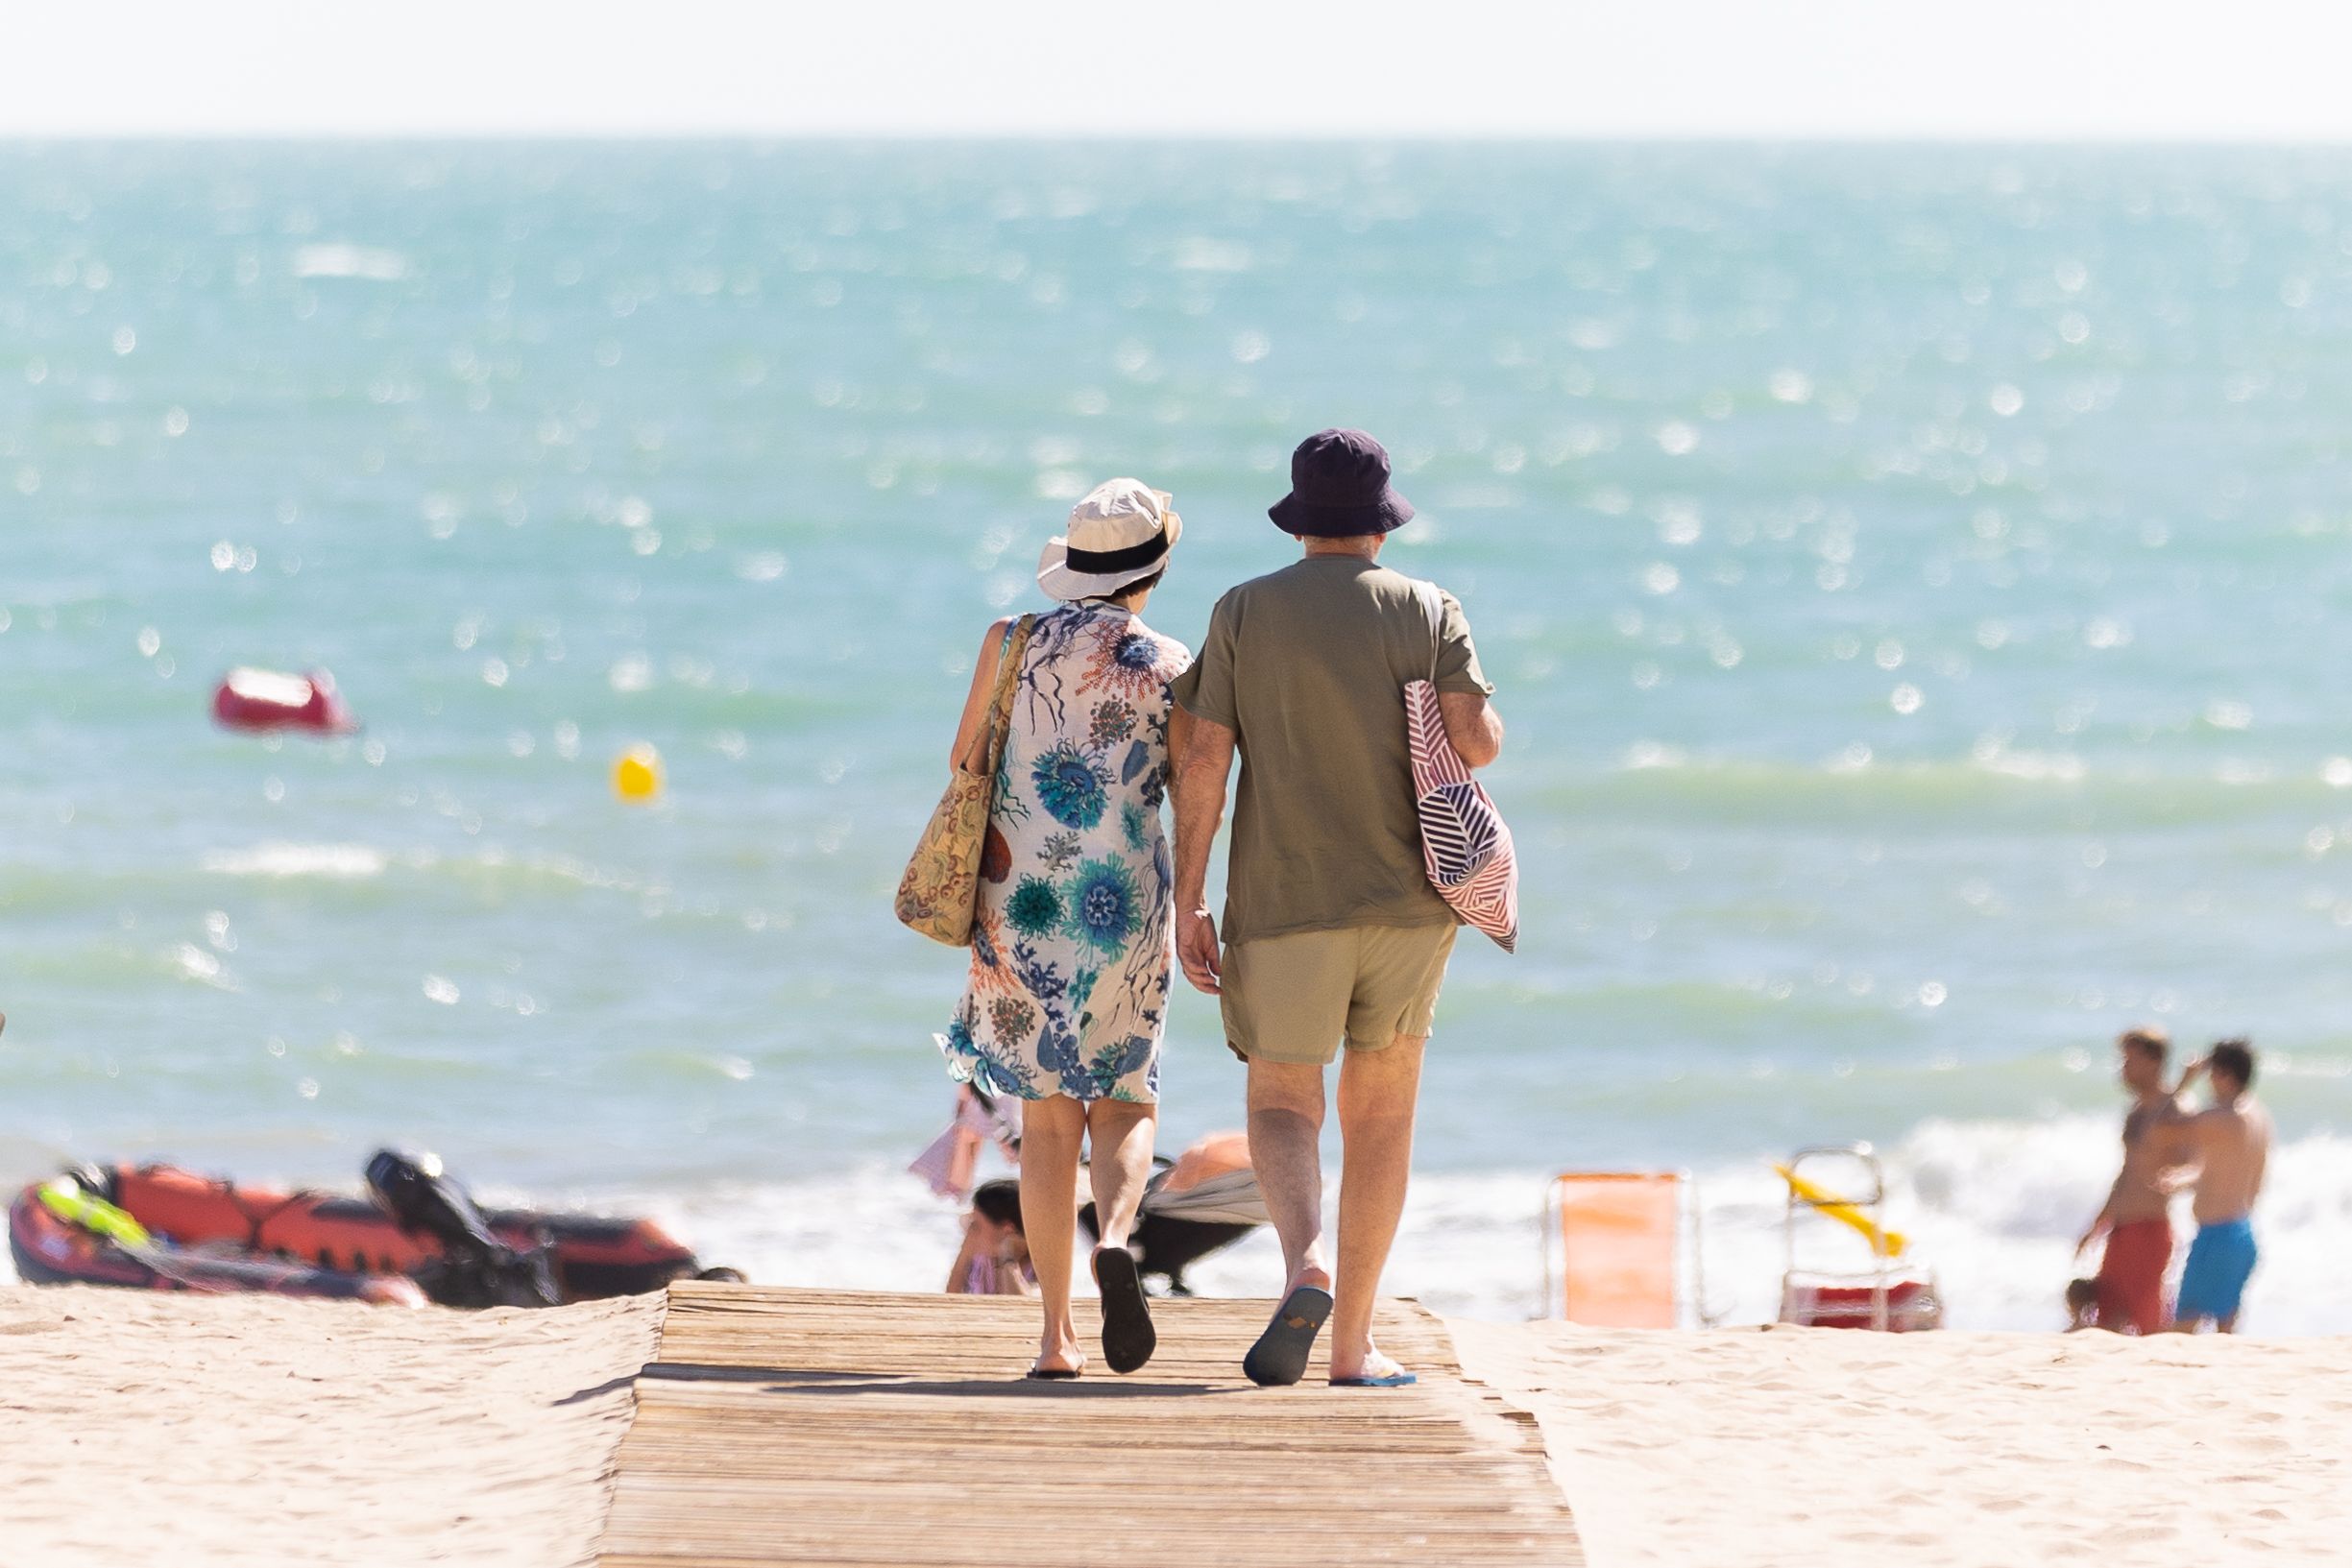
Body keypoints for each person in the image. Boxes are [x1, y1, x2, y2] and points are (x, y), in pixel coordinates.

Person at [1170, 427, 1502, 1388]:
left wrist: (1190, 898)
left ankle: (1302, 1257)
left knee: (1281, 1098)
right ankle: (1353, 1347)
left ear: (1301, 517)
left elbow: (1203, 762)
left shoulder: (1242, 610)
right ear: (1379, 521)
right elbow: (1473, 743)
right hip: (1409, 903)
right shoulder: (1428, 608)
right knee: (1382, 1113)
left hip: (1280, 902)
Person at [933, 478, 1193, 1379]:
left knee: (1046, 1123)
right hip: (1124, 904)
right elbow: (1192, 795)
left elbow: (967, 760)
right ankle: (1114, 1236)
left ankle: (1054, 1337)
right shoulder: (1169, 662)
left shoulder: (1008, 642)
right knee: (1124, 1101)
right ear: (1148, 571)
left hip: (1020, 908)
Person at [2073, 1026, 2190, 1336]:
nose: (2123, 1069)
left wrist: (2178, 1178)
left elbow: (2195, 1161)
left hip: (2151, 1227)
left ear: (2153, 1062)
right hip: (2121, 1229)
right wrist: (2098, 1225)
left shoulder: (2176, 1108)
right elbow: (2126, 1173)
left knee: (2147, 1320)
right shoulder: (2137, 1111)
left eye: (2130, 1060)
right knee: (2107, 1318)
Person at [2170, 1040, 2270, 1334]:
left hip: (2218, 1235)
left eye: (2211, 1072)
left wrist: (2185, 1079)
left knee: (2183, 1327)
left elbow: (2166, 1123)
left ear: (2224, 1074)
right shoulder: (2257, 1115)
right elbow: (2230, 1172)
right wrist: (2185, 1179)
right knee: (2225, 1331)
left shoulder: (2227, 1116)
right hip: (2241, 1230)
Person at [946, 1179, 1035, 1296]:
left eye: (976, 1226)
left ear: (1007, 1230)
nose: (970, 1232)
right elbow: (951, 1298)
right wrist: (965, 1252)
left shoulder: (1038, 1264)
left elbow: (1023, 1306)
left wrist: (1008, 1258)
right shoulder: (983, 1260)